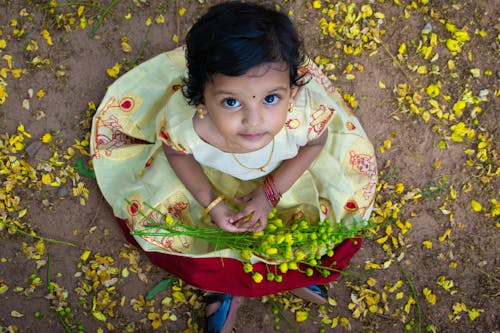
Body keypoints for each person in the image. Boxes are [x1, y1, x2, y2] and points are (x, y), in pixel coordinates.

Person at [90, 2, 377, 332]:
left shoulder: (301, 118)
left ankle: (286, 271)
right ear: (201, 99)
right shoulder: (188, 128)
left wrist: (269, 195)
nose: (253, 121)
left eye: (271, 98)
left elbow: (314, 144)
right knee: (210, 241)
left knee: (297, 229)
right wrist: (212, 203)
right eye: (230, 102)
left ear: (293, 92)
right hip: (210, 182)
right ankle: (227, 286)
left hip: (284, 178)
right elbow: (179, 156)